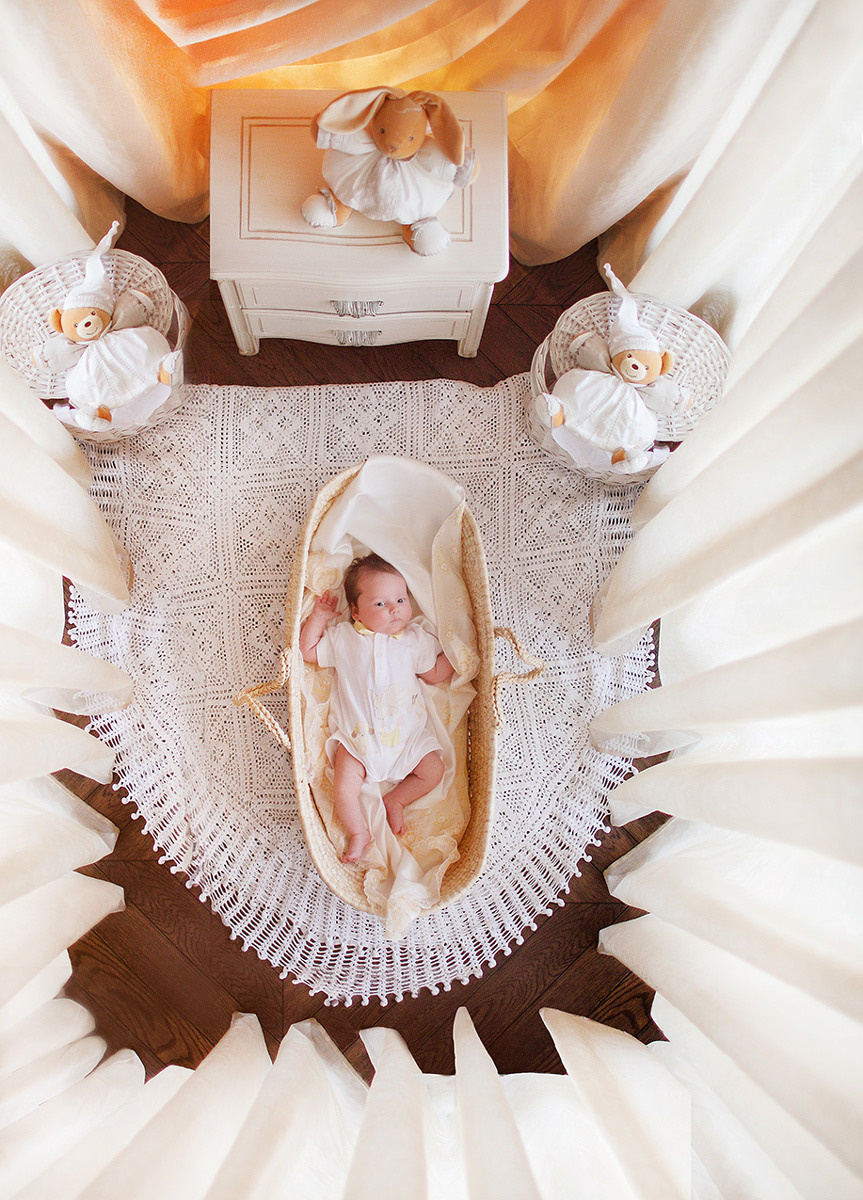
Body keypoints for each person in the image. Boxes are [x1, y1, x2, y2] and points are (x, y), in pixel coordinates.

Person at [299, 553, 455, 863]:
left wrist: (457, 652)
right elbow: (307, 651)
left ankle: (395, 800)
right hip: (360, 740)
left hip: (407, 739)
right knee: (343, 785)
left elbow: (435, 674)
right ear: (355, 611)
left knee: (434, 769)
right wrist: (318, 617)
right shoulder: (345, 639)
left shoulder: (414, 641)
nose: (395, 608)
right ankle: (358, 832)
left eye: (400, 598)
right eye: (380, 604)